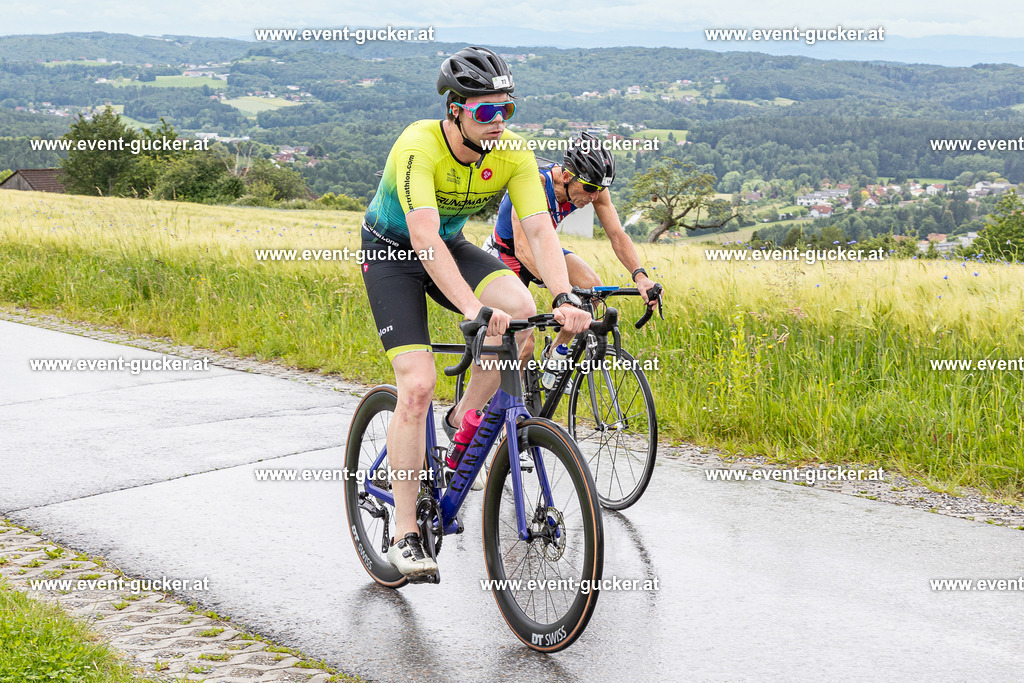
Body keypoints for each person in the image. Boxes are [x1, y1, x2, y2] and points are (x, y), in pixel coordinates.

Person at [360, 46, 592, 581]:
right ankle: (404, 533)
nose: (497, 123)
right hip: (394, 254)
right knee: (415, 386)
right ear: (457, 110)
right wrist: (470, 307)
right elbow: (420, 235)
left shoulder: (511, 152)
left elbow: (539, 231)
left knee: (522, 315)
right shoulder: (420, 144)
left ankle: (461, 417)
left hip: (451, 245)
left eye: (505, 110)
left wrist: (563, 297)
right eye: (486, 111)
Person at [483, 132, 660, 364]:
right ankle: (504, 399)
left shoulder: (593, 187)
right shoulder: (533, 183)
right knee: (523, 347)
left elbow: (617, 234)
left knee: (592, 291)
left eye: (599, 189)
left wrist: (640, 276)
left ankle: (553, 357)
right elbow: (524, 251)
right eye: (589, 188)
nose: (594, 196)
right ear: (566, 176)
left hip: (542, 250)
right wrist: (564, 294)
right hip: (506, 254)